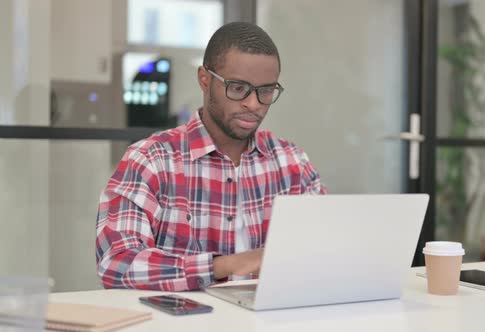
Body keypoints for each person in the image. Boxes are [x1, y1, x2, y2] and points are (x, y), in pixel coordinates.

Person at [95, 22, 326, 291]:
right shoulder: (151, 159)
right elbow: (116, 264)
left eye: (265, 91)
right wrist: (226, 266)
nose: (253, 104)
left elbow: (323, 252)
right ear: (205, 80)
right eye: (238, 88)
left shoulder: (291, 162)